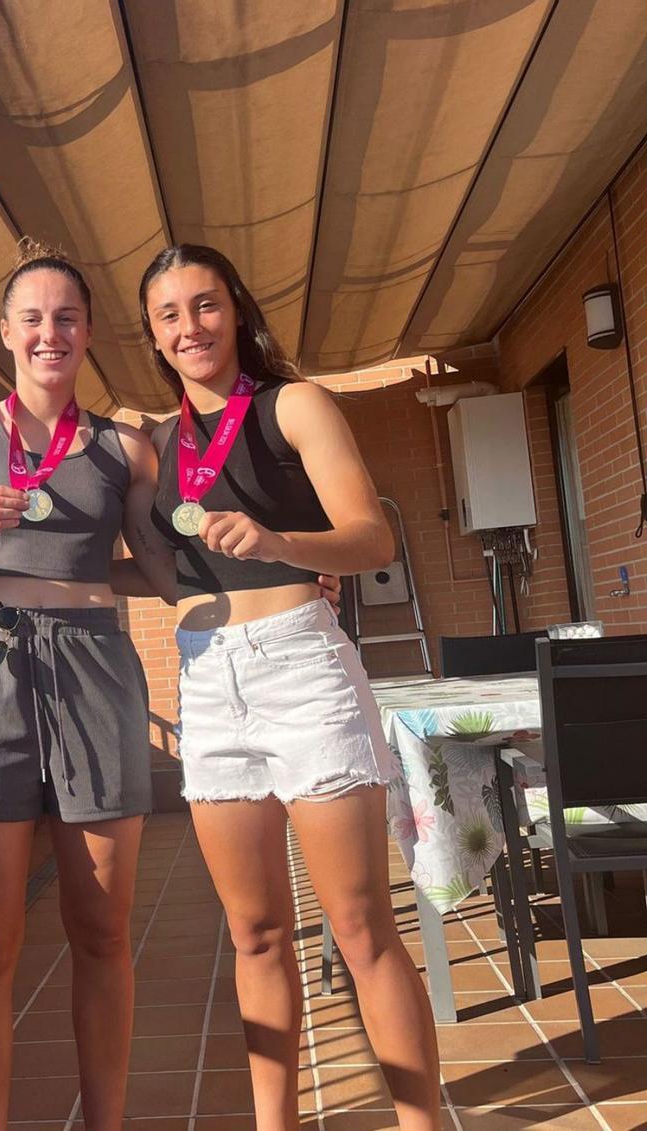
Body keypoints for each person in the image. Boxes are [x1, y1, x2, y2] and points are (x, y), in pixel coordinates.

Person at [140, 244, 442, 1131]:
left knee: (359, 926)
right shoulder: (159, 447)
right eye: (169, 314)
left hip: (303, 666)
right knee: (257, 935)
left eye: (204, 305)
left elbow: (370, 539)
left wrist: (282, 543)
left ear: (234, 309)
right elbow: (162, 574)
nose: (189, 326)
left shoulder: (294, 404)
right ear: (154, 337)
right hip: (208, 682)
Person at [0, 240, 171, 1131]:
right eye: (33, 317)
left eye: (67, 317)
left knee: (101, 933)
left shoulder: (127, 449)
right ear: (6, 332)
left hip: (94, 665)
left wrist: (273, 566)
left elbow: (164, 574)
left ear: (87, 333)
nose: (49, 332)